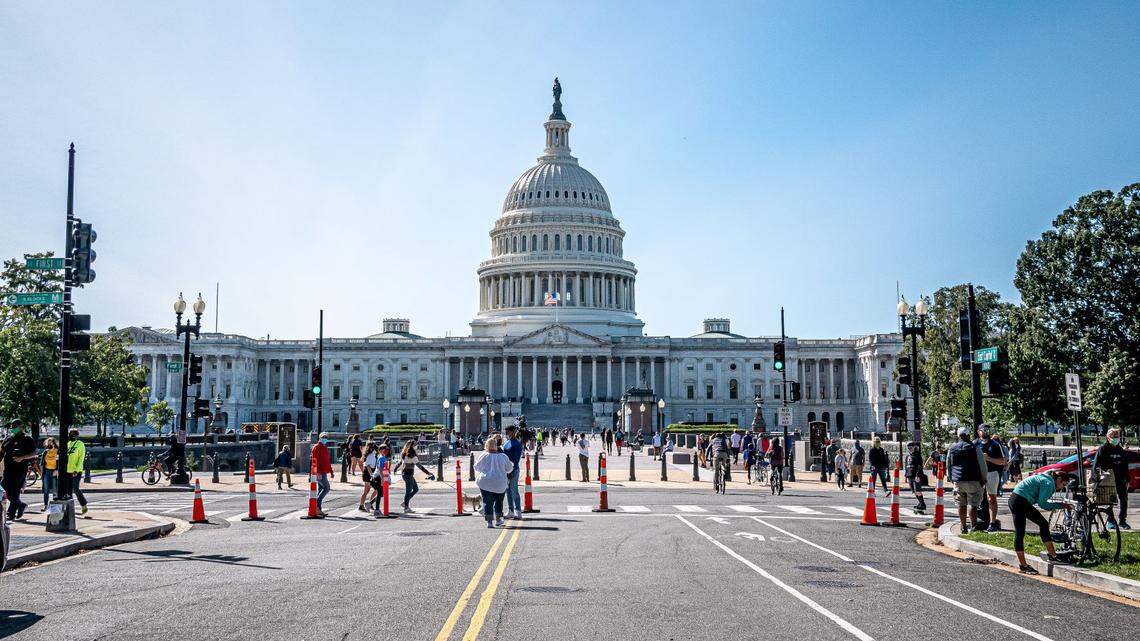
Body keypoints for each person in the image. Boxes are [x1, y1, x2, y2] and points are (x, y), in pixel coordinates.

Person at [1009, 470, 1071, 574]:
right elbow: (1043, 504)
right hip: (1021, 500)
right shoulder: (1049, 483)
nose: (1061, 488)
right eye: (1063, 485)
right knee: (1041, 524)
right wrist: (1061, 505)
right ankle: (1051, 556)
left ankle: (1025, 564)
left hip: (1015, 498)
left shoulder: (1046, 478)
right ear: (1059, 480)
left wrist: (1057, 504)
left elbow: (1041, 499)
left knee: (1021, 532)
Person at [947, 427, 988, 533]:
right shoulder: (975, 448)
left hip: (958, 480)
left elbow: (949, 464)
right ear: (968, 435)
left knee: (961, 504)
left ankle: (963, 526)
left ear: (958, 436)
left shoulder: (952, 448)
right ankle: (974, 526)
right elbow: (982, 465)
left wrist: (951, 478)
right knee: (973, 504)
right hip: (973, 479)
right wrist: (984, 478)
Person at [1093, 428, 1131, 530]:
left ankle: (1122, 521)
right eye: (1114, 436)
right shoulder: (1103, 449)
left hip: (1121, 479)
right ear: (1108, 437)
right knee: (1110, 501)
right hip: (1108, 480)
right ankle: (1110, 521)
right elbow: (1096, 465)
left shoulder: (1120, 450)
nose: (1116, 438)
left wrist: (1128, 479)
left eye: (1117, 436)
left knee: (1124, 500)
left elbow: (1125, 466)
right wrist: (1096, 478)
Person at [474, 435, 513, 528]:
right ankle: (498, 519)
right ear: (496, 446)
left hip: (485, 482)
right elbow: (509, 469)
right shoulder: (503, 456)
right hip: (500, 482)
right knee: (499, 501)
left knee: (487, 501)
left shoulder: (484, 455)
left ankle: (489, 522)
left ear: (486, 446)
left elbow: (476, 467)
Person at [1, 421, 37, 520]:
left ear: (21, 427)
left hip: (20, 469)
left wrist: (23, 457)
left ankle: (11, 513)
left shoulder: (27, 439)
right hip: (8, 469)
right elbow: (2, 452)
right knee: (3, 488)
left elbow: (34, 453)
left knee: (15, 490)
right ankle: (20, 505)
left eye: (15, 426)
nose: (13, 428)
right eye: (12, 427)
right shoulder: (8, 438)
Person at [978, 425, 1006, 531]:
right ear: (978, 431)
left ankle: (992, 522)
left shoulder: (995, 444)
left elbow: (1003, 461)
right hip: (979, 473)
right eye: (983, 430)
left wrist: (988, 458)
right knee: (976, 498)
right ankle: (976, 522)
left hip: (992, 473)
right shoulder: (976, 444)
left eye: (987, 430)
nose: (985, 432)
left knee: (992, 498)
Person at [394, 440, 435, 513]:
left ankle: (405, 503)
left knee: (415, 489)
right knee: (408, 491)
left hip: (406, 474)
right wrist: (428, 473)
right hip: (408, 474)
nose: (416, 446)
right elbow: (420, 466)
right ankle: (406, 507)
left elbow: (400, 462)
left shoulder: (404, 454)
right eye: (415, 445)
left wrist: (396, 468)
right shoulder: (412, 455)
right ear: (412, 446)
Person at [501, 426, 524, 520]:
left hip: (513, 470)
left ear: (513, 432)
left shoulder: (517, 444)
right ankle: (510, 510)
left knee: (514, 491)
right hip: (505, 470)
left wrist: (511, 471)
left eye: (508, 432)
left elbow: (516, 459)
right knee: (508, 491)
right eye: (506, 432)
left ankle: (518, 511)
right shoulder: (507, 442)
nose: (506, 433)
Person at [66, 429, 88, 515]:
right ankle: (70, 509)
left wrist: (77, 469)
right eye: (70, 434)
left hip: (76, 471)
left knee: (75, 488)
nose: (71, 436)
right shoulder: (68, 444)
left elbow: (81, 458)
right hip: (67, 470)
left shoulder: (80, 444)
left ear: (77, 435)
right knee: (68, 491)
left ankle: (84, 504)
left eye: (73, 434)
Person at [312, 432, 333, 516]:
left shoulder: (325, 447)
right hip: (320, 472)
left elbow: (327, 460)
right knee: (327, 488)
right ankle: (316, 506)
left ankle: (318, 509)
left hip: (324, 471)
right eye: (323, 437)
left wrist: (331, 471)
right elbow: (314, 460)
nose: (325, 439)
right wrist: (318, 472)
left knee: (321, 489)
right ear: (320, 438)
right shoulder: (316, 447)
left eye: (326, 437)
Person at [905, 441, 927, 514]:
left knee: (918, 491)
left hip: (915, 476)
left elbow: (920, 466)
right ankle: (920, 503)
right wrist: (906, 476)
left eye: (911, 447)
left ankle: (922, 504)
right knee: (914, 491)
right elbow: (906, 466)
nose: (909, 449)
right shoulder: (908, 456)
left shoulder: (917, 455)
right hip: (909, 475)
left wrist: (918, 475)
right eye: (908, 448)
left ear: (914, 447)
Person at [39, 437, 58, 511]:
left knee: (54, 489)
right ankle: (46, 506)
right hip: (46, 472)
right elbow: (42, 463)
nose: (49, 444)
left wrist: (57, 470)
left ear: (54, 443)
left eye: (51, 442)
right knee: (46, 490)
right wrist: (41, 473)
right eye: (48, 442)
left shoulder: (57, 451)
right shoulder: (46, 452)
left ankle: (55, 506)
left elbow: (60, 462)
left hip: (54, 472)